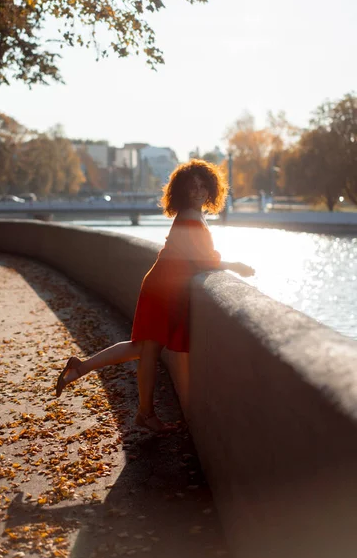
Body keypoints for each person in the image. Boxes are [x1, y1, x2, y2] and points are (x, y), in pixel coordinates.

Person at [55, 159, 255, 432]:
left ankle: (82, 368)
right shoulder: (188, 217)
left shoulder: (194, 216)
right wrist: (235, 266)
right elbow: (202, 260)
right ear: (183, 191)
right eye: (192, 187)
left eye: (203, 186)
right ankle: (145, 414)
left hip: (165, 285)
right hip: (163, 288)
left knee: (141, 347)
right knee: (148, 351)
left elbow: (197, 258)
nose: (198, 191)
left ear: (211, 189)